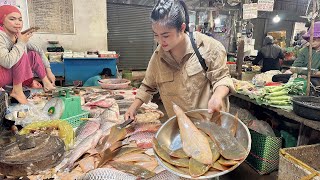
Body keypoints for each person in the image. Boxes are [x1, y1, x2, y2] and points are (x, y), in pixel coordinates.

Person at [125, 0, 234, 120]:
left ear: (182, 28)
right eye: (156, 35)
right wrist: (133, 108)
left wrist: (217, 96)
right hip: (181, 126)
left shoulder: (208, 47)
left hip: (212, 123)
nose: (160, 41)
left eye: (165, 35)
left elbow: (222, 78)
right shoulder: (158, 57)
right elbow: (147, 86)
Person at [0, 5, 56, 104]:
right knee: (21, 51)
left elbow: (38, 50)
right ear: (2, 21)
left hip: (11, 75)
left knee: (33, 54)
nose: (17, 22)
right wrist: (21, 43)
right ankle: (17, 91)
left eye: (20, 19)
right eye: (12, 19)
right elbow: (6, 62)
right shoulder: (1, 36)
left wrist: (48, 70)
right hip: (2, 75)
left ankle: (46, 83)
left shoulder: (16, 35)